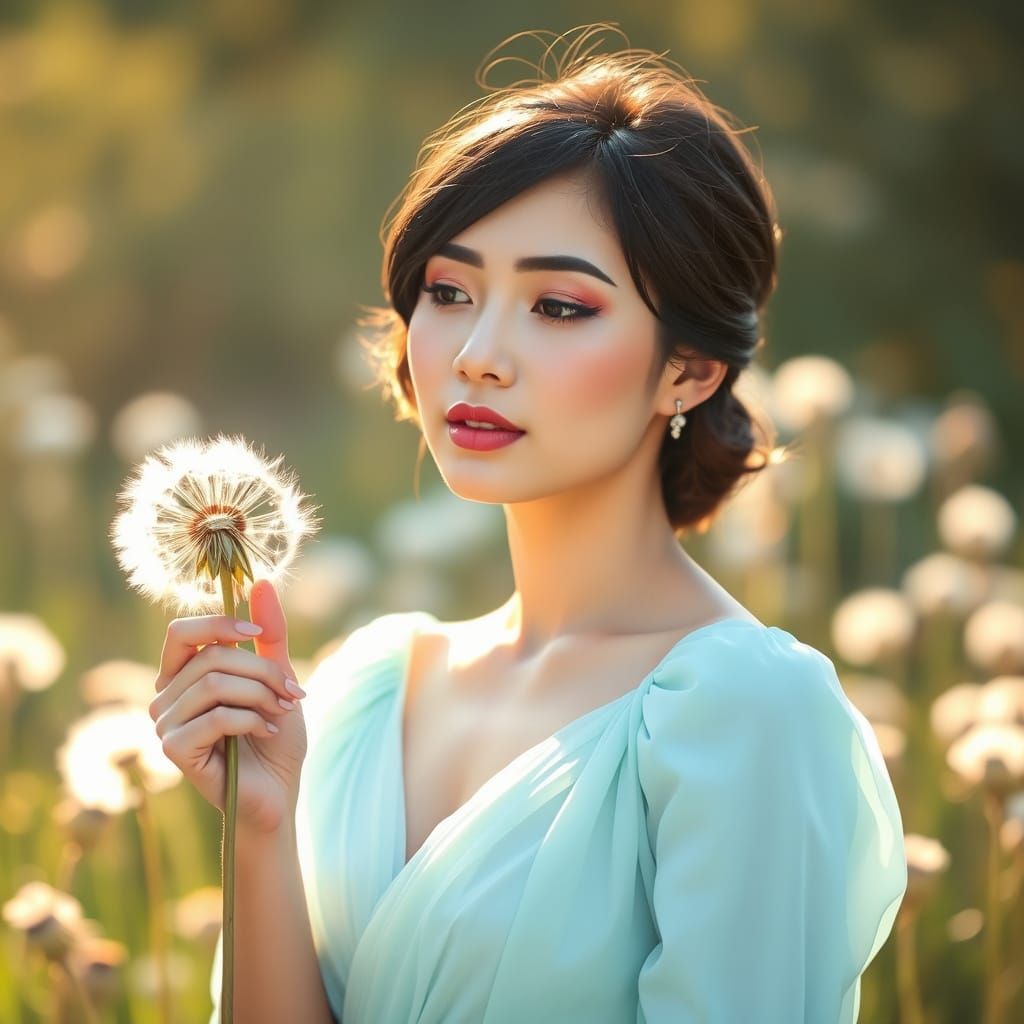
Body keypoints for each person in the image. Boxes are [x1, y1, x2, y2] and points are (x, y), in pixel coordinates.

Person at [151, 25, 907, 1024]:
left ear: (688, 368)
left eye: (557, 306)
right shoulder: (366, 693)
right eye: (450, 292)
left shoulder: (746, 713)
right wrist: (260, 825)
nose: (476, 353)